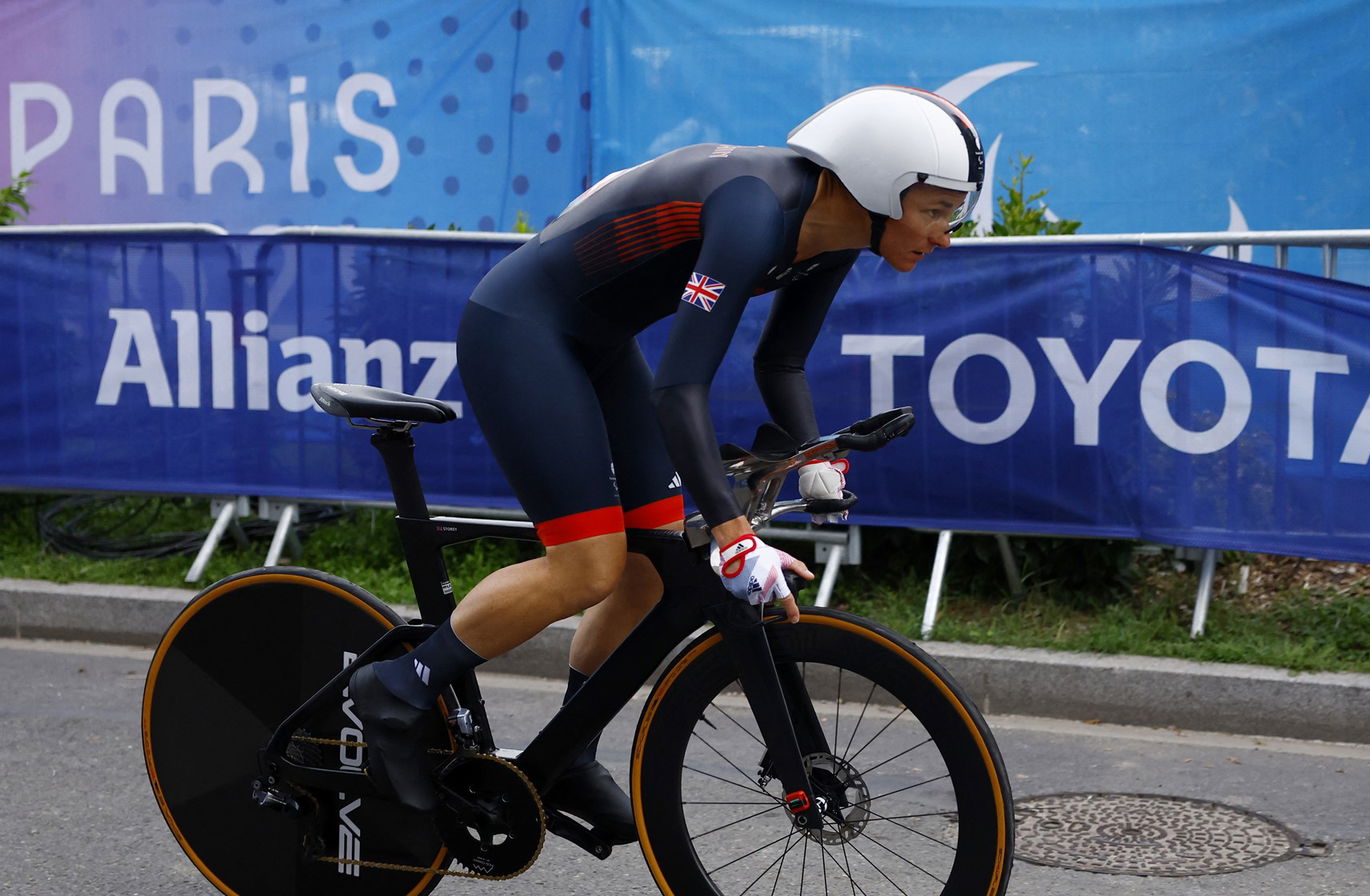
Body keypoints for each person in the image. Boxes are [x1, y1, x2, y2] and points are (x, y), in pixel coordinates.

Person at [349, 85, 985, 841]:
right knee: (587, 567)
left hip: (598, 338)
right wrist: (732, 534)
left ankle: (568, 755)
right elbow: (680, 388)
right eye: (937, 211)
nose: (945, 234)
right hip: (519, 328)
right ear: (880, 183)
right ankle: (400, 683)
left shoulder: (841, 230)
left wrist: (813, 455)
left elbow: (782, 361)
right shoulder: (757, 210)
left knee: (649, 571)